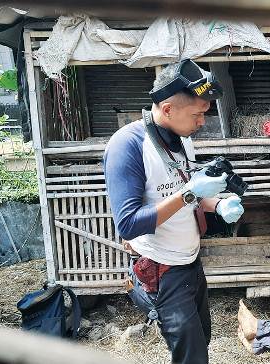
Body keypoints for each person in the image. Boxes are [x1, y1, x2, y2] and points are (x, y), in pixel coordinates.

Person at [104, 59, 245, 364]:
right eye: (197, 114)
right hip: (160, 269)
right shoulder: (128, 146)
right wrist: (191, 193)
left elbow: (184, 194)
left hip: (190, 263)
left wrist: (217, 204)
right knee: (191, 355)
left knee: (201, 339)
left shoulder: (181, 140)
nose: (202, 123)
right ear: (168, 109)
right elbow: (128, 224)